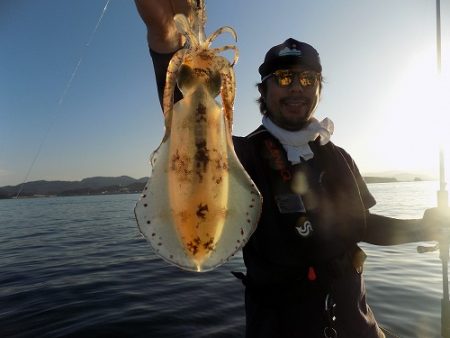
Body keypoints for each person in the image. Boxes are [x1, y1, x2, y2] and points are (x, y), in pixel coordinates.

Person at [134, 1, 449, 337]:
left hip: (358, 327)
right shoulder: (241, 155)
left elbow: (362, 226)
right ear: (264, 92)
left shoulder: (339, 157)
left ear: (319, 88)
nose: (297, 86)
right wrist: (167, 38)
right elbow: (192, 126)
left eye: (307, 78)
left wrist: (426, 228)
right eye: (283, 78)